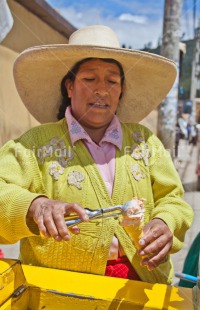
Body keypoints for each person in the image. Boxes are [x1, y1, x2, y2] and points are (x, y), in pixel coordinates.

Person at [0, 25, 193, 284]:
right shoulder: (35, 145)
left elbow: (173, 199)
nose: (101, 90)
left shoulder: (144, 142)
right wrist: (36, 205)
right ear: (69, 87)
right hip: (60, 291)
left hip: (142, 285)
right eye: (89, 79)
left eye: (112, 81)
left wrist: (165, 222)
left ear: (121, 89)